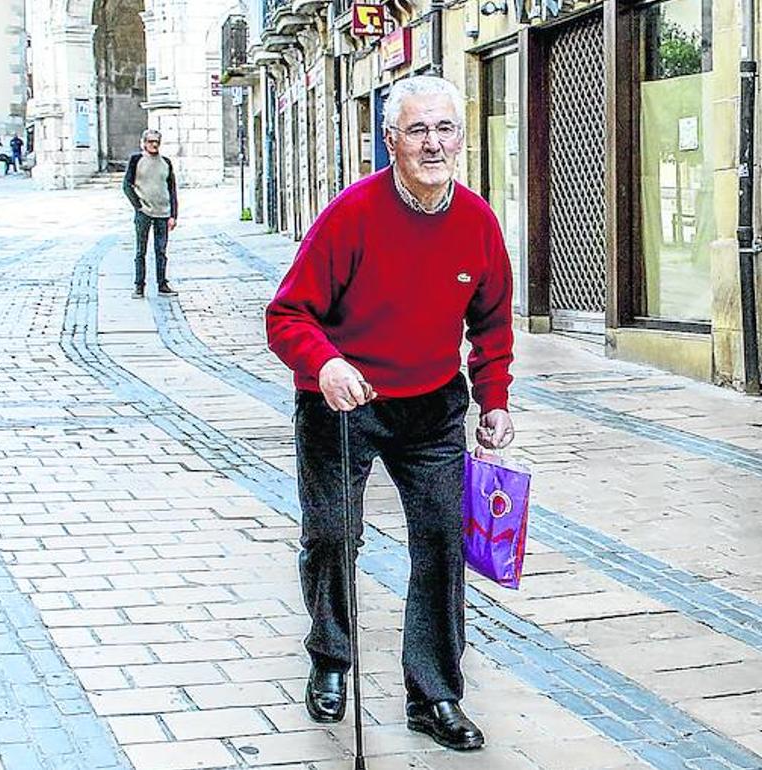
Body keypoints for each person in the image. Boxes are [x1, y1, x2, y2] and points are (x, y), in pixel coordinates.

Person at [265, 75, 515, 752]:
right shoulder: (352, 215)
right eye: (418, 130)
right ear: (391, 141)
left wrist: (493, 401)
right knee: (332, 534)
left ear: (462, 138)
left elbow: (491, 327)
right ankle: (331, 657)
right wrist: (326, 364)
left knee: (440, 547)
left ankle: (433, 695)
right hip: (344, 404)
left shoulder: (478, 222)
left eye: (445, 129)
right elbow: (287, 314)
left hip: (432, 406)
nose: (433, 143)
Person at [122, 128, 179, 298]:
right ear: (144, 143)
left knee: (161, 250)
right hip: (144, 213)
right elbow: (127, 185)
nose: (154, 144)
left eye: (157, 141)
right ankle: (139, 286)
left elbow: (172, 189)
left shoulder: (166, 162)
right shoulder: (136, 160)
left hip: (163, 212)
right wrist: (138, 206)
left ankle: (162, 284)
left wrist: (173, 215)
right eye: (150, 141)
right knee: (141, 251)